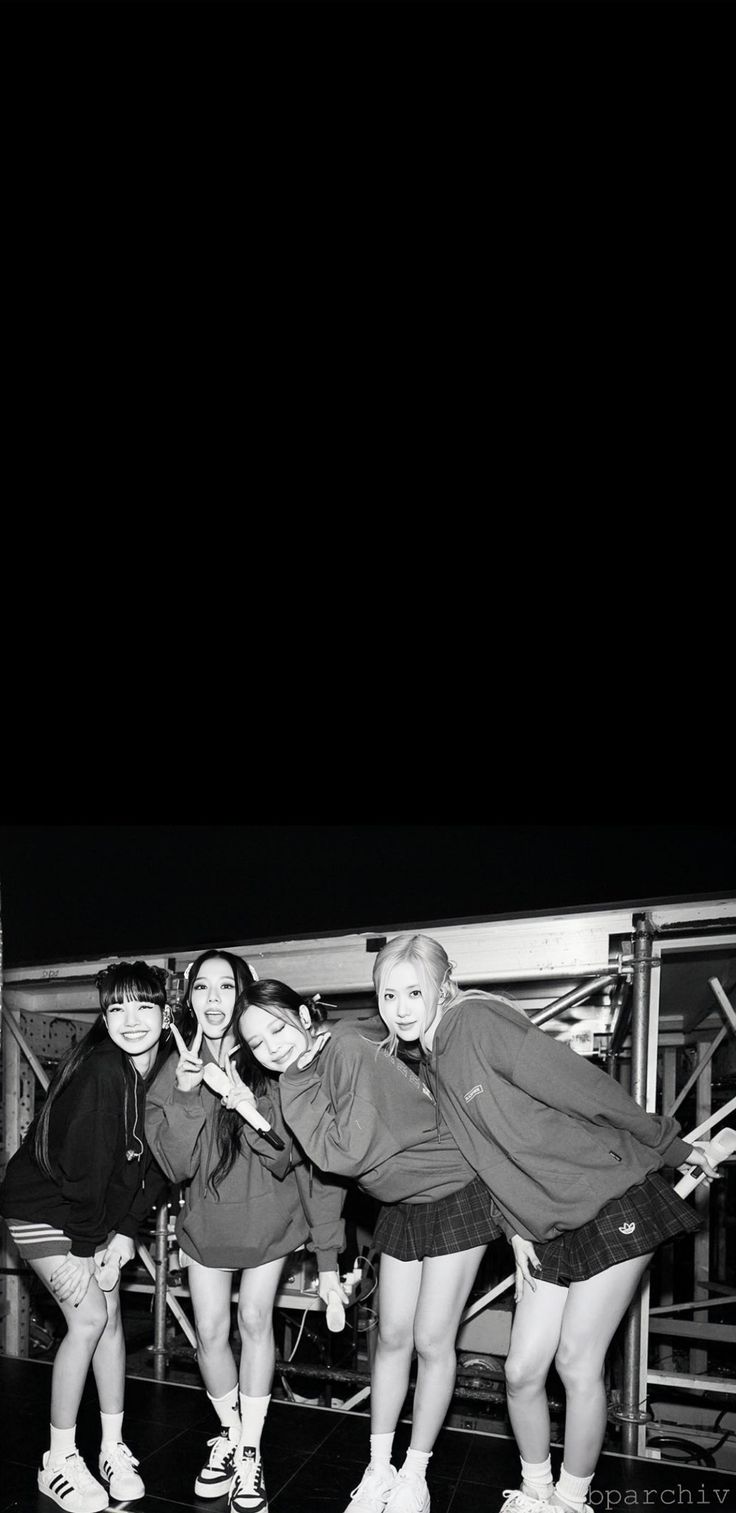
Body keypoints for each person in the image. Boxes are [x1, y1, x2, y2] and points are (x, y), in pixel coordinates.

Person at [368, 933, 720, 1513]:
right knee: (521, 1372)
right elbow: (488, 1161)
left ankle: (571, 1500)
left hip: (612, 1196)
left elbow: (581, 1086)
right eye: (387, 996)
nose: (400, 1008)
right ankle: (537, 1492)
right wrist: (514, 1226)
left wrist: (672, 1145)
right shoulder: (431, 1063)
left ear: (443, 987)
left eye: (413, 992)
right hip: (545, 1225)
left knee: (577, 1360)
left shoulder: (475, 1023)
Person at [231, 977, 507, 1513]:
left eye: (276, 1028)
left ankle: (415, 1475)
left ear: (304, 1017)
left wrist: (274, 1102)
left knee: (431, 1339)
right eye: (257, 1044)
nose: (271, 1047)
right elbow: (319, 1178)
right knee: (392, 1336)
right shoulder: (302, 1075)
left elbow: (342, 1156)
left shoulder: (346, 1050)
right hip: (401, 1206)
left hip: (455, 1193)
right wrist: (328, 1267)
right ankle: (379, 1468)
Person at [145, 949, 347, 1513]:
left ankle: (250, 1449)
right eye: (203, 987)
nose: (214, 999)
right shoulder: (174, 1066)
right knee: (209, 1331)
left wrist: (244, 1101)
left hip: (269, 1218)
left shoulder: (269, 1056)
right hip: (206, 1222)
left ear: (243, 994)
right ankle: (231, 1437)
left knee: (254, 1320)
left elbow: (291, 1157)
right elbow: (175, 1167)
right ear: (189, 997)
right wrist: (187, 1092)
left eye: (226, 987)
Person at [0, 960, 172, 1513]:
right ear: (103, 1016)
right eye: (115, 1007)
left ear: (167, 1014)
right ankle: (59, 1460)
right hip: (45, 1209)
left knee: (112, 1319)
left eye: (143, 1005)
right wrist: (83, 1247)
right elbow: (86, 1170)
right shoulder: (105, 1069)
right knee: (90, 1318)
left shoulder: (159, 1074)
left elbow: (153, 1167)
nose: (130, 1019)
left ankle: (113, 1447)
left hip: (90, 1214)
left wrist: (123, 1234)